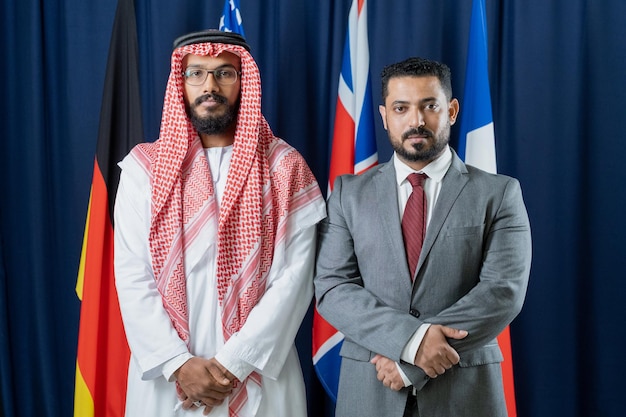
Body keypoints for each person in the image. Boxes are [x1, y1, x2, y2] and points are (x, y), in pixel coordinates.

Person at [113, 30, 326, 417]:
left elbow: (294, 280)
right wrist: (178, 363)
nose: (209, 86)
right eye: (196, 73)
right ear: (180, 84)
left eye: (224, 73)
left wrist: (235, 363)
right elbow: (132, 275)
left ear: (244, 81)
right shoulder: (144, 169)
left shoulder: (284, 166)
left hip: (260, 372)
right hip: (168, 378)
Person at [314, 56, 531, 417]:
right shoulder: (347, 194)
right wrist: (411, 343)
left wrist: (409, 363)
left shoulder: (499, 193)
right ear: (384, 116)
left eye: (429, 106)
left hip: (464, 392)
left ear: (452, 110)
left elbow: (502, 291)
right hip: (370, 391)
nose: (416, 121)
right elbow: (333, 288)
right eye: (401, 108)